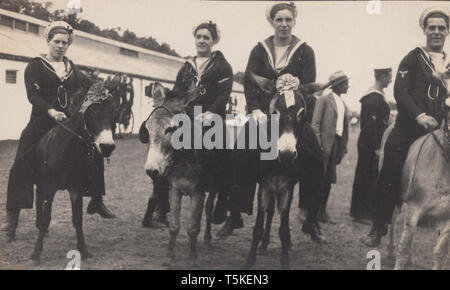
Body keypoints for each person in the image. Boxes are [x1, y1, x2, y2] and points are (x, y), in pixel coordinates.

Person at [220, 2, 326, 243]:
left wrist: (298, 108)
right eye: (279, 20)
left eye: (288, 20)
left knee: (315, 156)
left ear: (294, 22)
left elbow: (309, 87)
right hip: (264, 116)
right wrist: (256, 109)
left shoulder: (305, 51)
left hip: (291, 116)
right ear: (272, 22)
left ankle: (310, 217)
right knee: (240, 153)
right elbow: (249, 80)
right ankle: (235, 212)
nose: (284, 24)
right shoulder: (260, 49)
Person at [3, 21, 115, 232]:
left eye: (65, 42)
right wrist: (51, 111)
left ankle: (97, 199)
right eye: (57, 42)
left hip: (69, 123)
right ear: (48, 41)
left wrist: (103, 90)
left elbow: (89, 84)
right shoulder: (36, 66)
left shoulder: (72, 68)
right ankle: (13, 215)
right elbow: (33, 95)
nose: (61, 46)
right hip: (42, 121)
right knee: (21, 162)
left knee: (95, 150)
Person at [361, 7, 449, 247]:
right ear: (424, 29)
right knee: (391, 164)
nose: (436, 32)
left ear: (448, 31)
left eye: (442, 28)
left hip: (443, 129)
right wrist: (419, 115)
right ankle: (379, 226)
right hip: (411, 127)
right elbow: (400, 91)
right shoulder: (413, 57)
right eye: (432, 27)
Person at [143, 20, 234, 225]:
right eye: (199, 37)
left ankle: (222, 202)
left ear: (214, 41)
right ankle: (161, 205)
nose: (202, 41)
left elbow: (223, 95)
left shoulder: (222, 66)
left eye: (206, 38)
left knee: (226, 154)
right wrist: (166, 100)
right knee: (161, 147)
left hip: (212, 116)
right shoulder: (186, 66)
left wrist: (211, 112)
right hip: (186, 115)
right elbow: (177, 92)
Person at [350, 68, 392, 224]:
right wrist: (377, 147)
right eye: (389, 77)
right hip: (370, 143)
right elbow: (371, 125)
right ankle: (361, 213)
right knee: (366, 176)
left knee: (370, 175)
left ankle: (365, 211)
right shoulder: (373, 98)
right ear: (382, 77)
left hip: (372, 141)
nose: (391, 80)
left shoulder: (377, 96)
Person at [311, 71, 350, 224]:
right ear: (338, 85)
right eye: (346, 83)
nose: (348, 86)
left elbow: (344, 127)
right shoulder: (324, 100)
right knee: (319, 179)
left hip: (336, 143)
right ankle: (312, 213)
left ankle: (322, 211)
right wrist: (318, 145)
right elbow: (315, 124)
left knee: (328, 180)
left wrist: (343, 147)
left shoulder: (343, 103)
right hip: (324, 145)